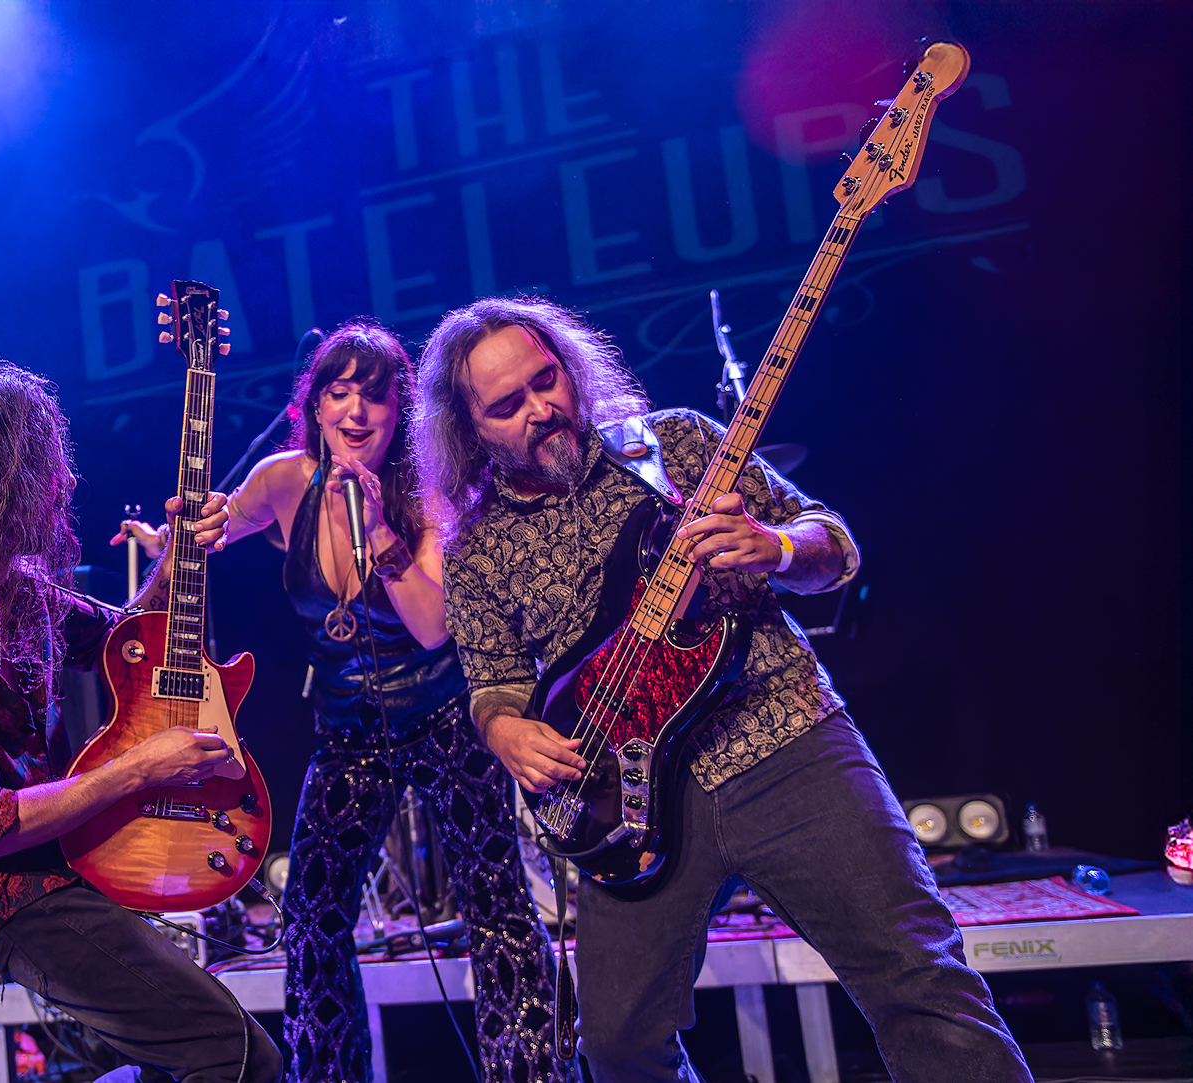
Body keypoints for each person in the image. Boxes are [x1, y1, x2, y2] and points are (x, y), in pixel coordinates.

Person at [411, 297, 1033, 1083]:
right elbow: (493, 683)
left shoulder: (676, 442)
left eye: (547, 379)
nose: (543, 408)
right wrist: (505, 730)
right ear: (469, 430)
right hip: (632, 802)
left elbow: (833, 544)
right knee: (617, 1046)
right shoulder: (475, 548)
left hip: (785, 741)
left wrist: (774, 546)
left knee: (922, 984)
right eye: (509, 404)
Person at [117, 322, 575, 1083]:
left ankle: (531, 1073)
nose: (356, 412)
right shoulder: (282, 481)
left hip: (443, 717)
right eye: (339, 393)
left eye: (375, 396)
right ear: (316, 406)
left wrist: (380, 530)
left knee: (497, 906)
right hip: (347, 732)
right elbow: (208, 537)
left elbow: (433, 627)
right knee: (310, 917)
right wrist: (172, 541)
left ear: (400, 411)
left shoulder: (428, 489)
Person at [0, 362, 281, 1083]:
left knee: (186, 1058)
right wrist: (140, 768)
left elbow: (130, 639)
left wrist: (180, 553)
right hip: (11, 900)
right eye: (45, 467)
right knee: (234, 1055)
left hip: (79, 855)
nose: (67, 482)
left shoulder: (13, 591)